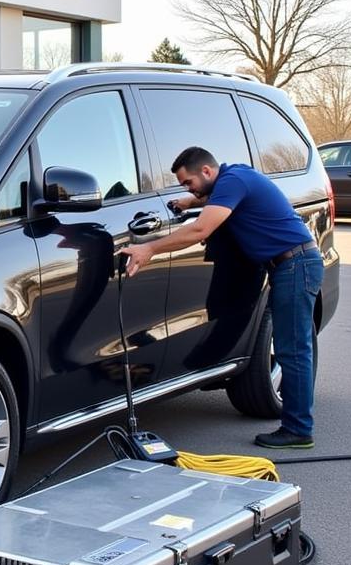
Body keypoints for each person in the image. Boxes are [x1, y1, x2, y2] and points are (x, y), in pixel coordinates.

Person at [121, 146, 323, 450]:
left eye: (188, 183)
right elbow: (213, 197)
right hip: (292, 263)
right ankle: (298, 426)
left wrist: (149, 249)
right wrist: (193, 199)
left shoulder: (233, 182)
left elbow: (200, 228)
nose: (187, 189)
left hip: (295, 266)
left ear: (206, 171)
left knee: (292, 351)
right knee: (292, 348)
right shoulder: (233, 176)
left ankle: (298, 430)